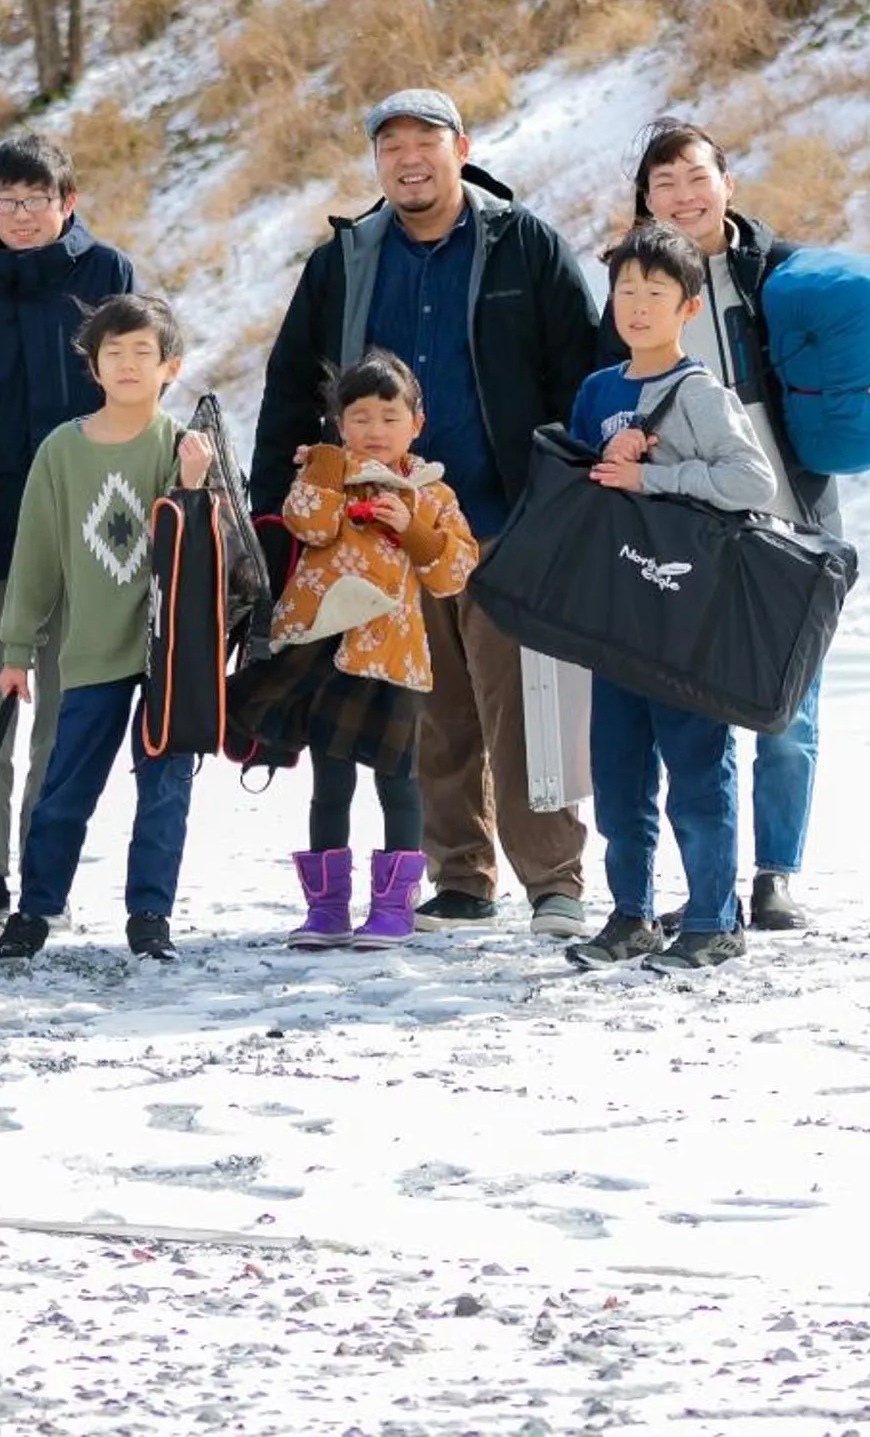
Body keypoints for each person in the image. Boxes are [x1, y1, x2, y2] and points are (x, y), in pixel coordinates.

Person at [250, 89, 605, 936]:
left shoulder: (523, 244)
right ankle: (461, 878)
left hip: (504, 521)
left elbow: (581, 373)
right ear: (377, 161)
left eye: (426, 142)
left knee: (523, 708)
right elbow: (291, 383)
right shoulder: (345, 260)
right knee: (433, 713)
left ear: (461, 149)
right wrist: (273, 520)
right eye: (391, 146)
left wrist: (572, 500)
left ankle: (553, 878)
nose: (409, 158)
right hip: (383, 537)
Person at [620, 119, 870, 932]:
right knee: (695, 715)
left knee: (790, 711)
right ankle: (707, 879)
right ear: (645, 202)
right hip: (685, 526)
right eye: (664, 186)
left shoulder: (785, 271)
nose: (684, 197)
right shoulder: (635, 285)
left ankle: (776, 875)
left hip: (792, 521)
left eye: (696, 178)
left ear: (727, 181)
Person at [0, 134, 139, 934]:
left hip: (93, 527)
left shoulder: (107, 276)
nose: (18, 216)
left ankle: (48, 868)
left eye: (35, 201)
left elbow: (138, 387)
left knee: (67, 710)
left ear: (66, 203)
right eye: (4, 201)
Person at [557, 222, 778, 972]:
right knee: (619, 779)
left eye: (657, 293)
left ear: (688, 308)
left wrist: (653, 475)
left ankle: (715, 918)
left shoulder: (699, 392)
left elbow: (753, 484)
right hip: (617, 617)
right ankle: (631, 917)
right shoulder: (596, 391)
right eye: (626, 291)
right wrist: (599, 463)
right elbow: (582, 496)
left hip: (687, 618)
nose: (638, 306)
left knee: (696, 769)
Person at [0, 293, 215, 963]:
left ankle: (151, 916)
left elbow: (204, 555)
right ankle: (35, 912)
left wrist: (195, 485)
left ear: (170, 367)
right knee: (64, 791)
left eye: (144, 352)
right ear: (92, 365)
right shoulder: (62, 450)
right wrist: (16, 648)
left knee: (164, 791)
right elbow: (36, 555)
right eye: (112, 351)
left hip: (169, 657)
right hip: (89, 652)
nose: (127, 364)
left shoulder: (182, 446)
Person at [268, 353, 477, 951]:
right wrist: (331, 469)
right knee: (330, 784)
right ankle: (327, 908)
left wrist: (411, 527)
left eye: (390, 416)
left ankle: (393, 908)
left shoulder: (432, 492)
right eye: (359, 417)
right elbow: (304, 523)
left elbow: (454, 572)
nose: (375, 431)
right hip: (327, 654)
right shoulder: (325, 471)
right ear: (338, 424)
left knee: (399, 782)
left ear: (417, 422)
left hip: (396, 660)